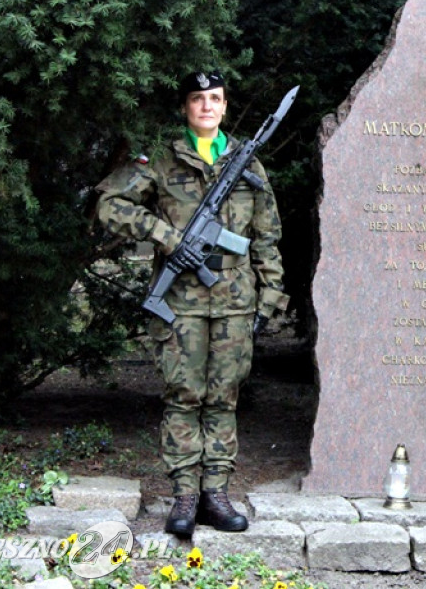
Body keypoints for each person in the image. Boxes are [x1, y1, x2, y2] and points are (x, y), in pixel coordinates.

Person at [95, 71, 289, 538]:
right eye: (197, 99)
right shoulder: (160, 160)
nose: (206, 106)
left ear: (224, 107)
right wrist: (166, 236)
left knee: (223, 398)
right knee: (183, 397)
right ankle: (184, 494)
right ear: (186, 107)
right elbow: (109, 204)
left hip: (235, 301)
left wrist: (272, 293)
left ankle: (216, 494)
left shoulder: (248, 164)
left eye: (215, 99)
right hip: (180, 302)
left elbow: (267, 237)